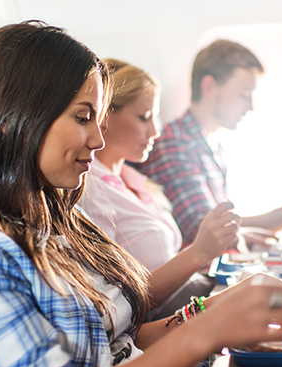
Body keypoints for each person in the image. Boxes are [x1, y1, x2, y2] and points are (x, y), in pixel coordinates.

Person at [0, 22, 282, 367]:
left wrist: (215, 309)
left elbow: (123, 343)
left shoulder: (56, 217)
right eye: (82, 117)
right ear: (11, 118)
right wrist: (206, 332)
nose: (97, 139)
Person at [134, 39, 282, 248]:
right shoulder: (174, 146)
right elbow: (211, 232)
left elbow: (229, 224)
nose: (250, 106)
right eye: (244, 94)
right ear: (209, 87)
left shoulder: (213, 147)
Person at [79, 59, 238, 319]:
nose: (155, 131)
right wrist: (199, 252)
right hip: (161, 319)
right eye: (144, 117)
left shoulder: (136, 181)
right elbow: (121, 303)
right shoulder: (90, 190)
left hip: (189, 295)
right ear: (104, 117)